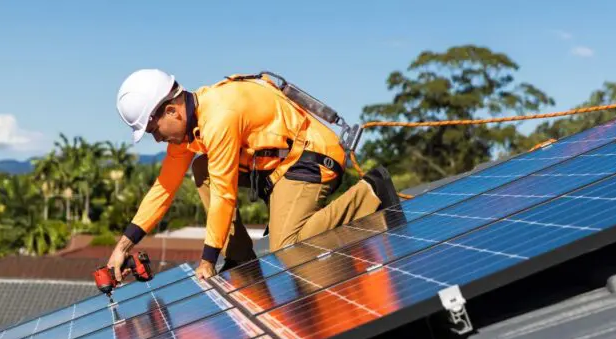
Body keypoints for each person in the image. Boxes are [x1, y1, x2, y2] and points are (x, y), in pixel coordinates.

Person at [107, 68, 399, 281]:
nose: (157, 139)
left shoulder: (220, 116)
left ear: (172, 111)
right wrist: (123, 246)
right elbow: (164, 187)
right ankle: (240, 258)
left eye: (153, 130)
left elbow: (224, 192)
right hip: (277, 169)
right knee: (201, 167)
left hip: (310, 157)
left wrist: (208, 259)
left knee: (288, 246)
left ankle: (371, 192)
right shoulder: (189, 130)